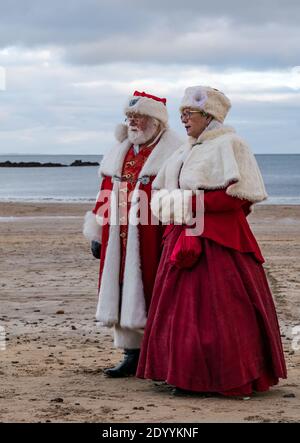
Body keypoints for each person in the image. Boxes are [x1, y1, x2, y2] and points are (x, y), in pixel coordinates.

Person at [136, 86, 287, 396]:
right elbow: (163, 191)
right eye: (182, 114)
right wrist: (175, 205)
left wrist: (189, 204)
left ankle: (226, 377)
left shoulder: (231, 144)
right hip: (181, 235)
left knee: (224, 309)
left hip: (218, 240)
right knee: (177, 309)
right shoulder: (184, 150)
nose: (183, 119)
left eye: (188, 114)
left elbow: (236, 199)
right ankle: (182, 375)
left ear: (209, 116)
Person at [83, 90, 182, 377]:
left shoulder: (174, 151)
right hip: (118, 235)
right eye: (129, 117)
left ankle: (161, 354)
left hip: (154, 234)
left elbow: (180, 196)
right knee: (122, 288)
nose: (132, 122)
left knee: (157, 291)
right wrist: (98, 233)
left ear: (156, 120)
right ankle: (132, 352)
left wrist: (174, 236)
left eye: (138, 116)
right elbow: (105, 192)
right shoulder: (120, 149)